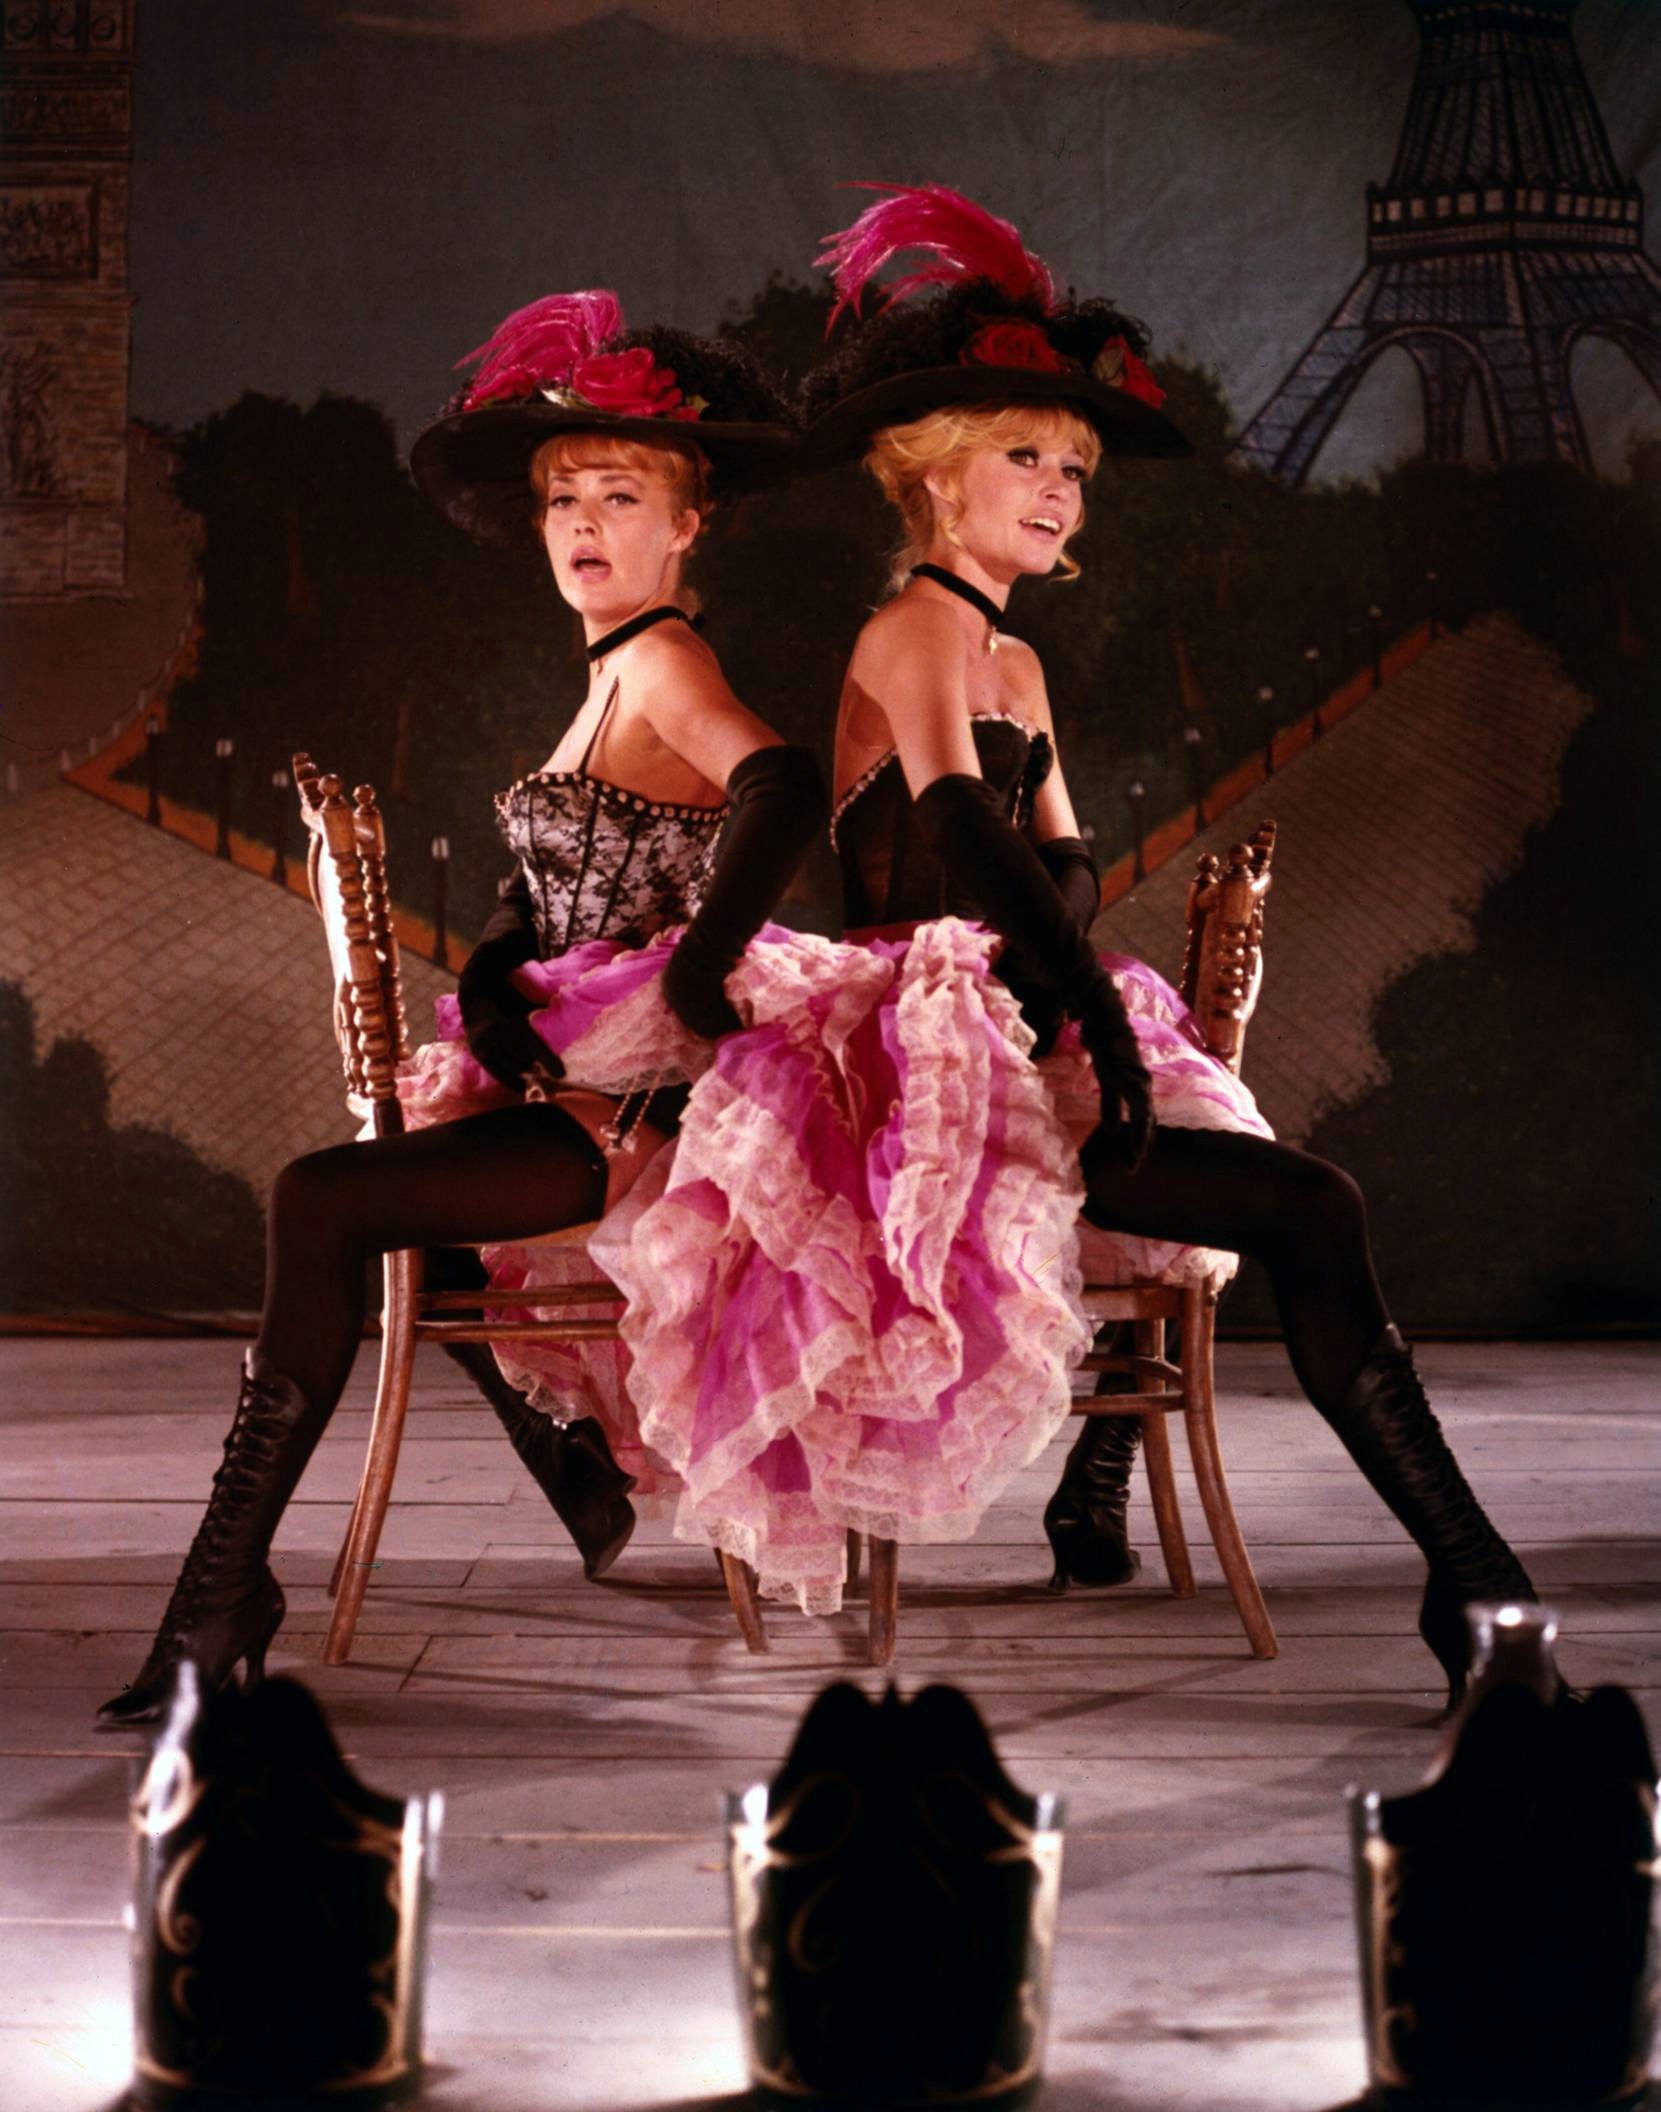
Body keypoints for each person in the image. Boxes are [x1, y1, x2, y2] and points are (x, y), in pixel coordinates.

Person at [797, 184, 1534, 1706]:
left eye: (1074, 467)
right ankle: (1471, 1585)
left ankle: (1454, 1577)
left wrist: (1072, 987)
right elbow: (975, 845)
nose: (1060, 489)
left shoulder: (1014, 659)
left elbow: (1062, 864)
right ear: (935, 471)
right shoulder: (911, 630)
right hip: (915, 1075)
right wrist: (1086, 1001)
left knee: (1297, 1202)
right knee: (1306, 1204)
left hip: (1015, 1028)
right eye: (1025, 456)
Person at [98, 290, 823, 1725]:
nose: (583, 524)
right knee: (376, 1206)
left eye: (621, 497)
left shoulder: (665, 659)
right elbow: (554, 878)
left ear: (689, 525)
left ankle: (221, 1596)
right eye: (563, 499)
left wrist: (696, 972)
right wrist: (496, 973)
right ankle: (523, 1485)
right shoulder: (611, 668)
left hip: (641, 1113)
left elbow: (783, 784)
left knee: (320, 1200)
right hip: (578, 1081)